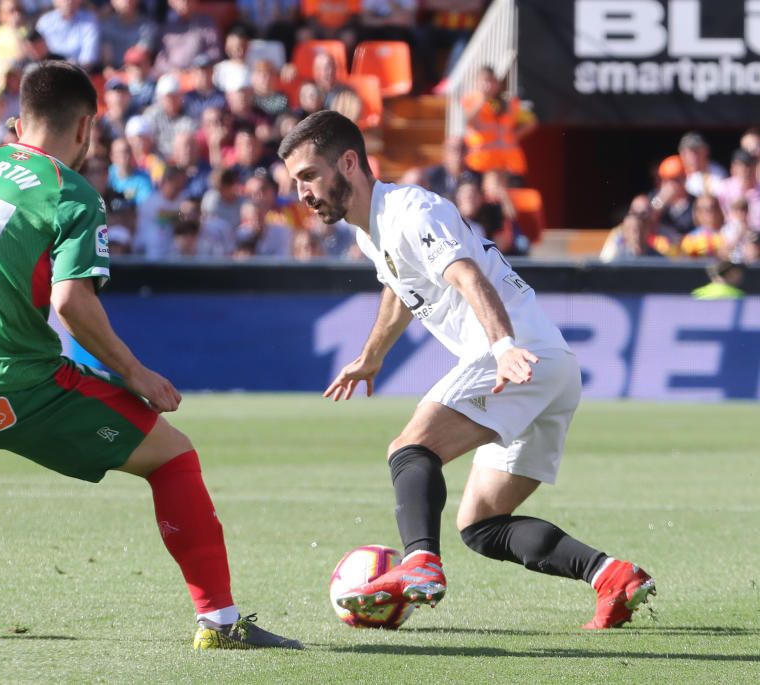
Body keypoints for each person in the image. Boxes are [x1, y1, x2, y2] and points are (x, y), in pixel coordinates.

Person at [0, 60, 301, 651]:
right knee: (173, 458)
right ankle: (219, 622)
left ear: (16, 125)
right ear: (87, 127)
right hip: (16, 389)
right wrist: (136, 374)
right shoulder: (69, 192)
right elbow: (72, 304)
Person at [278, 110, 656, 630]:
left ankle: (420, 564)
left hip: (515, 358)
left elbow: (467, 276)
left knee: (410, 449)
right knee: (481, 525)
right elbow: (400, 288)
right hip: (549, 366)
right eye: (296, 182)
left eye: (309, 176)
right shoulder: (371, 231)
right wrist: (373, 357)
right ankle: (612, 575)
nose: (302, 192)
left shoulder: (412, 211)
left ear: (349, 162)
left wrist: (501, 346)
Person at [461, 65, 535, 178]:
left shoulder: (507, 102)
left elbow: (531, 122)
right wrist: (482, 100)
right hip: (480, 163)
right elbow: (468, 120)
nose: (488, 85)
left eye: (491, 81)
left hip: (506, 165)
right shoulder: (471, 100)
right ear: (477, 82)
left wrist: (514, 136)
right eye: (485, 81)